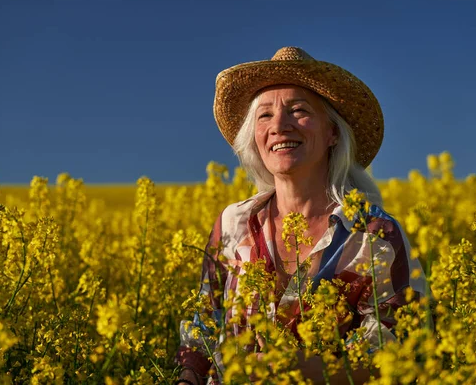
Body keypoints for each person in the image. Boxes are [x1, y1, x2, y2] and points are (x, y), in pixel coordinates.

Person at [175, 47, 427, 385]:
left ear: (332, 132)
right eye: (264, 116)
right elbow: (204, 322)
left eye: (299, 110)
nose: (279, 126)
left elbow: (403, 349)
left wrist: (300, 370)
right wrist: (187, 377)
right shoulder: (232, 223)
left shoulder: (374, 234)